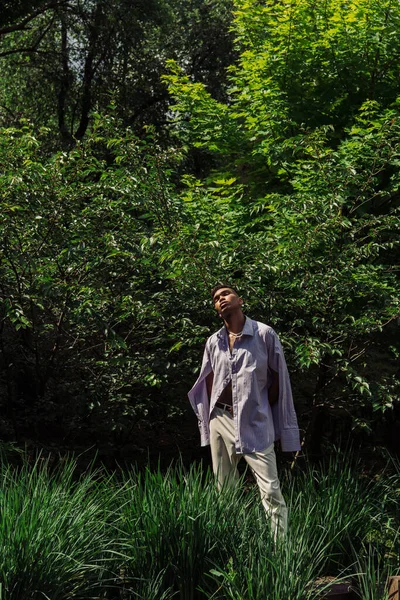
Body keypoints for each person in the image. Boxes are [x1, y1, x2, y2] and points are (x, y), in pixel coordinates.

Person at [188, 284, 301, 539]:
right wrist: (214, 416)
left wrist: (258, 407)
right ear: (217, 310)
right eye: (216, 299)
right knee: (224, 491)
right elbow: (208, 379)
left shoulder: (264, 334)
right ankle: (230, 551)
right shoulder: (213, 342)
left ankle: (281, 554)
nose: (221, 299)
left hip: (255, 420)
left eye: (225, 294)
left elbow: (278, 379)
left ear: (240, 300)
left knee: (270, 490)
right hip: (221, 418)